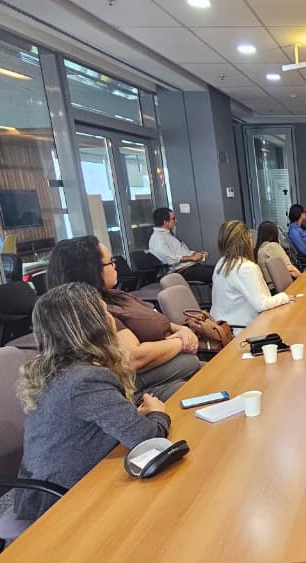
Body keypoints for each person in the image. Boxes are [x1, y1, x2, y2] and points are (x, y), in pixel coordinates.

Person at [13, 282, 171, 521]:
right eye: (105, 311)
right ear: (94, 325)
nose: (111, 318)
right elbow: (147, 438)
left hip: (51, 483)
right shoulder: (86, 379)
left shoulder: (59, 369)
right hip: (61, 500)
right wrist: (157, 413)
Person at [47, 236, 200, 401]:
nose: (115, 266)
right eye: (110, 262)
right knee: (195, 374)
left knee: (205, 373)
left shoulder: (116, 295)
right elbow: (132, 357)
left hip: (167, 368)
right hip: (136, 385)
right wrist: (180, 342)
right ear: (91, 270)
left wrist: (180, 329)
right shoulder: (94, 311)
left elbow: (158, 321)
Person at [213, 220, 292, 331]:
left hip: (223, 327)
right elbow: (262, 304)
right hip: (244, 330)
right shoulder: (246, 268)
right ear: (245, 241)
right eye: (250, 238)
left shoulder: (221, 263)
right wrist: (285, 297)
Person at [149, 207, 214, 283]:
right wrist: (191, 257)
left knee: (220, 270)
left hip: (191, 267)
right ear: (165, 222)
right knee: (219, 274)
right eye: (173, 219)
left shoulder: (168, 235)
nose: (176, 221)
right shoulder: (157, 238)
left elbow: (180, 252)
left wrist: (196, 254)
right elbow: (169, 258)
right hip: (181, 271)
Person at [256, 220, 300, 292]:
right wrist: (302, 278)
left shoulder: (259, 249)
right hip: (284, 288)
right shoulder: (272, 246)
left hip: (271, 290)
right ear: (275, 233)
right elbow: (290, 269)